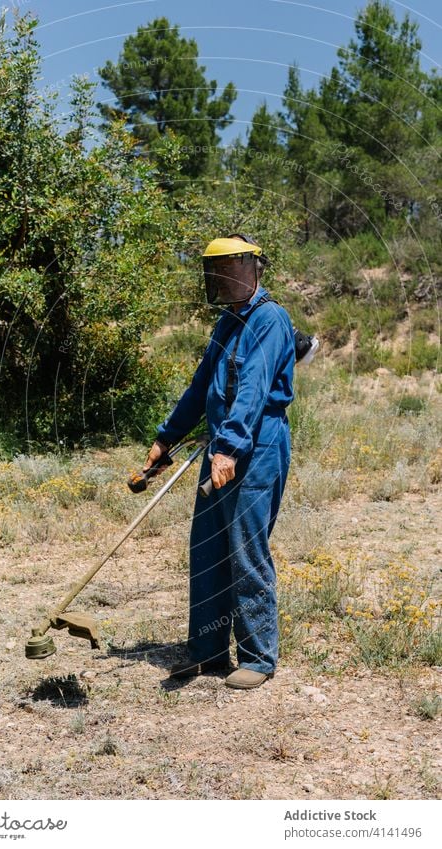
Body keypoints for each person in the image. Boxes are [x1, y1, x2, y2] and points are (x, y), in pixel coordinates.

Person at [143, 234, 296, 689]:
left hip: (257, 444)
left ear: (254, 268)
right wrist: (165, 438)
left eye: (231, 266)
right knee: (208, 550)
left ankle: (258, 657)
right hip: (223, 446)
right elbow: (200, 386)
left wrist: (228, 448)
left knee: (246, 550)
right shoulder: (227, 322)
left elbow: (251, 389)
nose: (223, 277)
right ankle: (207, 652)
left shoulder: (270, 319)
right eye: (216, 269)